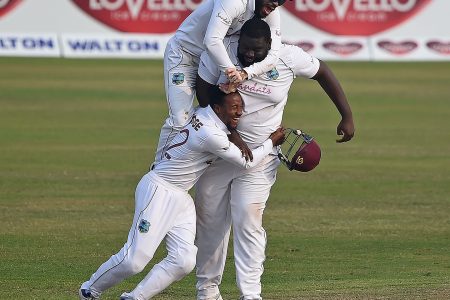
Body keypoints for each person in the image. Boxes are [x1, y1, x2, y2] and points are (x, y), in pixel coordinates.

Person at [194, 18, 355, 300]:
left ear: (270, 45)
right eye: (245, 49)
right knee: (210, 220)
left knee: (248, 218)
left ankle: (251, 294)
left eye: (256, 50)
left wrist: (347, 115)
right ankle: (207, 290)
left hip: (262, 157)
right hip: (218, 154)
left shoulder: (288, 57)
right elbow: (203, 93)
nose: (249, 55)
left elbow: (322, 72)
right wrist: (231, 132)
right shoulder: (222, 51)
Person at [78, 90, 286, 300]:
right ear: (218, 108)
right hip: (159, 190)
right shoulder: (209, 134)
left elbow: (226, 128)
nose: (240, 112)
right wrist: (271, 142)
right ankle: (90, 290)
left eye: (241, 107)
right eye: (234, 108)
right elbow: (246, 162)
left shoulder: (203, 113)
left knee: (184, 260)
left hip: (180, 196)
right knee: (134, 260)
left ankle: (134, 297)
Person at [155, 0, 286, 164]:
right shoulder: (234, 2)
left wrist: (246, 73)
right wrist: (232, 72)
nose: (277, 3)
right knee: (181, 120)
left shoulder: (271, 11)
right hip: (185, 56)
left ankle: (182, 172)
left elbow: (274, 55)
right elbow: (212, 41)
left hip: (217, 61)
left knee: (212, 116)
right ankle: (159, 171)